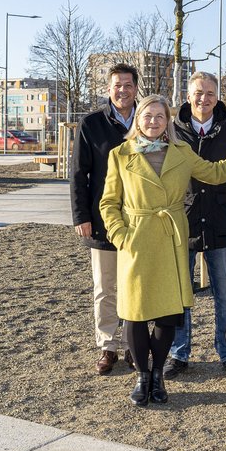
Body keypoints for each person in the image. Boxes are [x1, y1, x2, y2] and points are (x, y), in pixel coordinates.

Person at [99, 94, 226, 407]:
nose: (153, 121)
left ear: (167, 121)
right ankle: (142, 377)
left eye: (160, 116)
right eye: (148, 115)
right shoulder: (121, 154)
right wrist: (121, 235)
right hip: (136, 238)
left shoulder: (181, 151)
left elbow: (215, 173)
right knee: (135, 313)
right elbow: (109, 202)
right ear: (138, 119)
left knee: (168, 313)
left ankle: (158, 374)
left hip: (171, 237)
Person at [166, 72, 226, 381]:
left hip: (221, 221)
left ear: (218, 96)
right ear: (188, 96)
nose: (204, 98)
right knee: (180, 293)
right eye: (198, 93)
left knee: (225, 295)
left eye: (210, 93)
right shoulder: (172, 131)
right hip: (182, 222)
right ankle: (179, 353)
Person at [70, 63, 139, 376]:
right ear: (108, 89)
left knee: (134, 286)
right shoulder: (92, 123)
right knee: (105, 287)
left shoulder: (148, 119)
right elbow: (78, 173)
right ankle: (108, 346)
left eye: (127, 84)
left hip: (139, 221)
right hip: (102, 220)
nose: (122, 90)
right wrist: (81, 215)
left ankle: (132, 346)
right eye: (116, 85)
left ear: (136, 88)